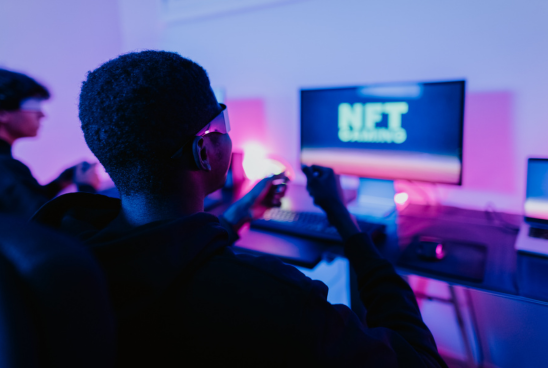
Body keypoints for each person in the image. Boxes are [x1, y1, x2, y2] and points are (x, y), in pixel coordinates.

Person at [32, 51, 447, 367]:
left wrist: (240, 213)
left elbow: (162, 260)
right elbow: (420, 360)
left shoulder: (65, 254)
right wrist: (344, 221)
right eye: (222, 125)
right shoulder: (276, 297)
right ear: (204, 150)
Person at [0, 68, 100, 218]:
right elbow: (47, 229)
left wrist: (58, 184)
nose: (42, 114)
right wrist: (87, 189)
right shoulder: (6, 168)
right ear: (2, 113)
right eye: (33, 105)